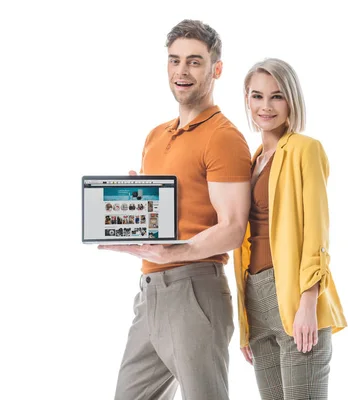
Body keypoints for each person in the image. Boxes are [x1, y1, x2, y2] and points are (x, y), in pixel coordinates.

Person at [99, 19, 252, 400]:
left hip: (194, 290)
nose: (182, 71)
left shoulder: (223, 138)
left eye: (195, 62)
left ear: (216, 69)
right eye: (175, 60)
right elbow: (167, 216)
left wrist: (177, 252)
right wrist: (135, 206)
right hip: (150, 292)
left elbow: (232, 227)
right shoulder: (156, 135)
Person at [233, 58, 347, 400]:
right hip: (255, 302)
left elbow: (317, 229)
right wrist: (245, 325)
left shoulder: (304, 149)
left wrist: (309, 302)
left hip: (295, 298)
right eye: (257, 96)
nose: (265, 106)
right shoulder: (252, 160)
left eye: (277, 96)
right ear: (247, 100)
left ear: (291, 100)